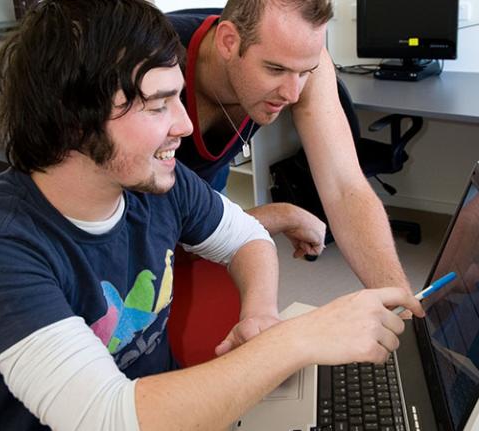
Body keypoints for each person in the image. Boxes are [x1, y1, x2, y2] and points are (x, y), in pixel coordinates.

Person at [0, 1, 424, 430]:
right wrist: (297, 340)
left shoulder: (156, 183)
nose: (186, 125)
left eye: (179, 96)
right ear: (73, 121)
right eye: (157, 106)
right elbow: (109, 417)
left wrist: (259, 314)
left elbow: (248, 237)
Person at [167, 0, 412, 291]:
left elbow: (346, 188)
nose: (293, 94)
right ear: (228, 42)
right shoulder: (151, 63)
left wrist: (401, 301)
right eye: (275, 69)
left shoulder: (300, 59)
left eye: (306, 71)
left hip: (203, 186)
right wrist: (278, 215)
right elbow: (148, 226)